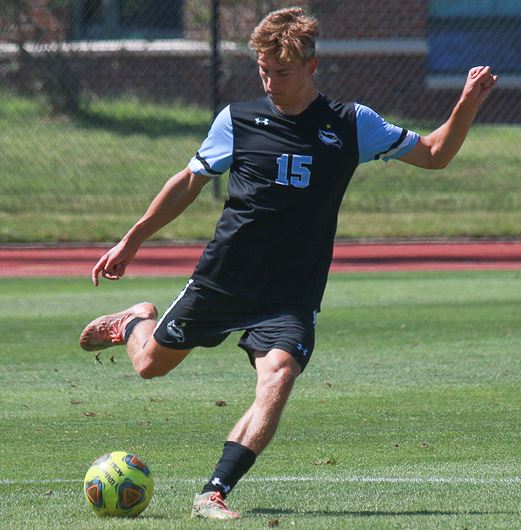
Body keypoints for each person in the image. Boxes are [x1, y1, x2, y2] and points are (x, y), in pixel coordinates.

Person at [79, 7, 497, 519]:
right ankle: (137, 321)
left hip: (290, 293)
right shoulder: (237, 120)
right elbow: (188, 182)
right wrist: (132, 241)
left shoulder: (351, 124)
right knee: (149, 366)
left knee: (278, 376)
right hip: (225, 277)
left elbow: (435, 154)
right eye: (263, 71)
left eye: (283, 72)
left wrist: (466, 105)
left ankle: (213, 491)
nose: (271, 83)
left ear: (311, 67)